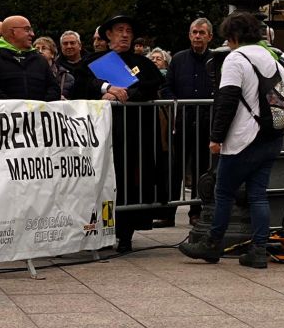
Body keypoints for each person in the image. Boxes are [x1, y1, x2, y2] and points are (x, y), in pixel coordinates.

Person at [178, 11, 284, 269]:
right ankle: (259, 249)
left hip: (244, 137)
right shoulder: (274, 58)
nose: (227, 43)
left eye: (228, 37)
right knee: (258, 194)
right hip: (272, 135)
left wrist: (216, 138)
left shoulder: (235, 59)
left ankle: (212, 244)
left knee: (223, 192)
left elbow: (226, 101)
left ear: (234, 36)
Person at [100, 14, 166, 251]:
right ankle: (103, 231)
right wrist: (106, 91)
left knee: (131, 184)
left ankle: (125, 233)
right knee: (106, 184)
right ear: (109, 34)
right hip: (105, 136)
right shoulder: (98, 61)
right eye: (120, 30)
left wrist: (126, 94)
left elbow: (151, 84)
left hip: (135, 136)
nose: (125, 35)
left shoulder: (142, 63)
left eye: (129, 30)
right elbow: (85, 84)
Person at [168, 17, 222, 214]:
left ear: (210, 36)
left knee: (202, 168)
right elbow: (167, 87)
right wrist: (176, 105)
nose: (197, 36)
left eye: (202, 33)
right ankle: (168, 212)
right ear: (189, 35)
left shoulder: (216, 60)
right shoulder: (178, 59)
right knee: (176, 167)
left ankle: (196, 212)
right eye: (194, 32)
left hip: (206, 122)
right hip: (182, 120)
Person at [0, 14, 59, 100]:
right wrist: (17, 108)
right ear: (12, 32)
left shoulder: (40, 59)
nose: (32, 34)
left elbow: (54, 88)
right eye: (27, 30)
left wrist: (40, 107)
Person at [55, 30, 94, 98]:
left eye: (72, 43)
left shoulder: (92, 62)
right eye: (65, 43)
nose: (69, 46)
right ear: (61, 47)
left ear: (80, 45)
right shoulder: (55, 66)